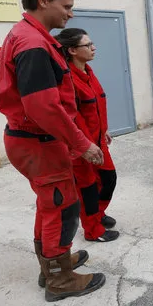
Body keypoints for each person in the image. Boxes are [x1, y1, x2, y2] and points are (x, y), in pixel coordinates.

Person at [0, 0, 106, 302]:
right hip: (39, 141)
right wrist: (82, 143)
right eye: (66, 6)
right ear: (44, 0)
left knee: (50, 205)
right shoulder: (33, 43)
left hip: (33, 140)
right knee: (62, 207)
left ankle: (53, 266)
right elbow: (43, 107)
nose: (70, 14)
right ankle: (60, 280)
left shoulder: (30, 35)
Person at [54, 28, 119, 243]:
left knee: (108, 179)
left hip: (99, 141)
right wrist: (85, 147)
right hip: (81, 147)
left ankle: (97, 215)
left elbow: (98, 104)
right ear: (72, 50)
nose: (94, 48)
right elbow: (73, 118)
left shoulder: (88, 72)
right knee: (88, 188)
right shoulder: (68, 80)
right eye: (88, 45)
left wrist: (104, 129)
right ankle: (93, 230)